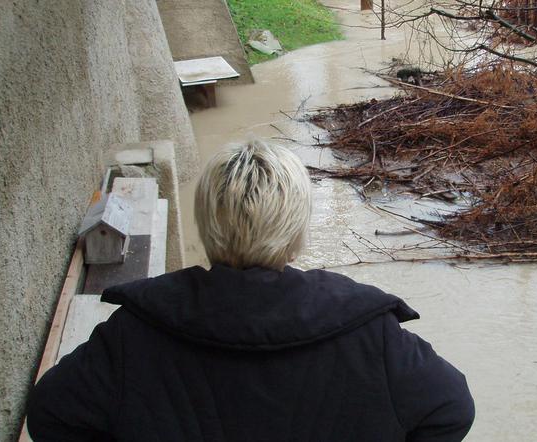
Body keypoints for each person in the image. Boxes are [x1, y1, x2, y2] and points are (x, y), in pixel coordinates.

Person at [27, 140, 475, 441]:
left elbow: (50, 413)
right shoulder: (369, 334)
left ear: (206, 222)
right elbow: (453, 409)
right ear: (297, 230)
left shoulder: (134, 334)